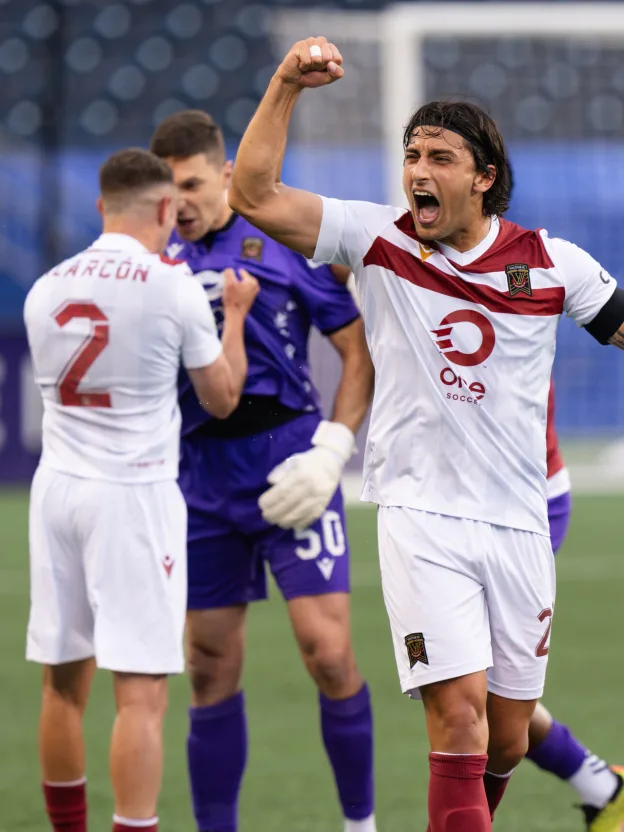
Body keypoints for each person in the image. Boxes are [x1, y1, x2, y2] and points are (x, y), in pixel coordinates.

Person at [227, 37, 624, 831]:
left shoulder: (553, 264)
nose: (418, 171)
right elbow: (254, 193)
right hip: (422, 517)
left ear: (483, 177)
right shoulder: (376, 238)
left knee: (506, 737)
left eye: (440, 157)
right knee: (460, 721)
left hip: (521, 521)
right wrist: (285, 84)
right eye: (412, 155)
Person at [149, 111, 376, 832]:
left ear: (224, 174)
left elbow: (358, 350)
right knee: (208, 665)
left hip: (291, 463)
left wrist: (333, 449)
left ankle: (361, 825)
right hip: (199, 475)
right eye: (168, 190)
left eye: (192, 184)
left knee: (329, 654)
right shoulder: (154, 259)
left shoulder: (282, 240)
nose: (180, 202)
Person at [24, 148, 258, 832]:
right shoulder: (171, 286)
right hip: (132, 495)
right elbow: (222, 399)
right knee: (141, 695)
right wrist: (235, 316)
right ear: (163, 207)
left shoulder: (46, 288)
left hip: (58, 489)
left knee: (63, 682)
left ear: (102, 206)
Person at [526, 381, 624, 831]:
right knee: (460, 693)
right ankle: (602, 788)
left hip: (526, 501)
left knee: (476, 699)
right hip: (428, 508)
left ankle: (602, 787)